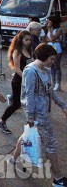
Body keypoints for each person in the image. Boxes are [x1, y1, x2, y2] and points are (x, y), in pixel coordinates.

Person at [9, 43, 67, 186]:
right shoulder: (31, 71)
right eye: (52, 59)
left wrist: (63, 105)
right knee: (51, 144)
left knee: (27, 134)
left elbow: (50, 91)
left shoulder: (44, 70)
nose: (53, 62)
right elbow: (29, 95)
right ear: (44, 57)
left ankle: (13, 159)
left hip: (42, 112)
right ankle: (58, 178)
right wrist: (30, 117)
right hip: (37, 114)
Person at [0, 30, 33, 134]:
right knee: (16, 104)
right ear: (20, 40)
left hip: (27, 81)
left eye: (30, 40)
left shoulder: (29, 50)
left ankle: (31, 125)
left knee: (28, 103)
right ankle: (1, 120)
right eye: (26, 40)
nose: (29, 42)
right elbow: (16, 69)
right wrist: (26, 79)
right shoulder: (17, 51)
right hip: (19, 80)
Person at [46, 16, 64, 91]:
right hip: (49, 49)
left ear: (53, 22)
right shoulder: (46, 29)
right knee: (50, 66)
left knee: (57, 66)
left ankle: (58, 84)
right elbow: (46, 39)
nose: (47, 23)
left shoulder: (58, 29)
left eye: (49, 21)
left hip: (57, 50)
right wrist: (52, 40)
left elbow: (53, 38)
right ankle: (52, 83)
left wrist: (50, 30)